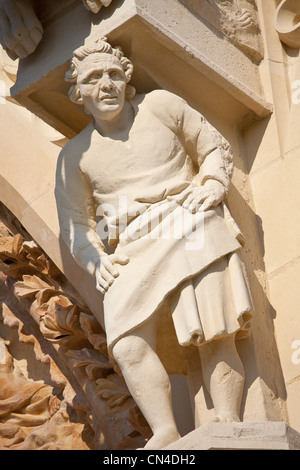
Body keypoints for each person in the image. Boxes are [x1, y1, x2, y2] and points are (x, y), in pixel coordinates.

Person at [55, 37, 253, 449]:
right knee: (126, 343)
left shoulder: (160, 105)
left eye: (113, 74)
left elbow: (212, 145)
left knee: (215, 328)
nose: (106, 84)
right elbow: (75, 224)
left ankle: (229, 420)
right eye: (94, 78)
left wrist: (214, 182)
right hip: (130, 244)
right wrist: (95, 260)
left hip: (190, 220)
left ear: (127, 80)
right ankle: (165, 429)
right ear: (80, 94)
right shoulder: (75, 156)